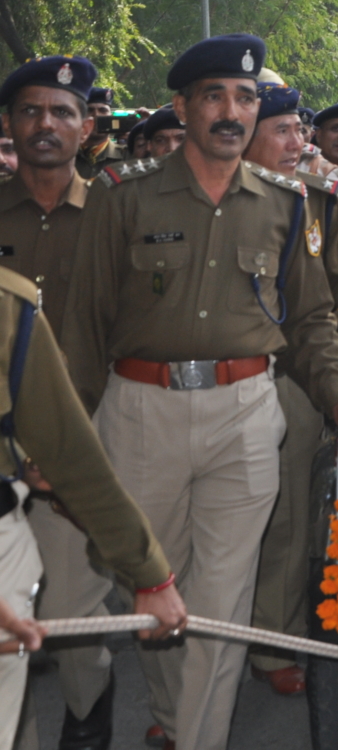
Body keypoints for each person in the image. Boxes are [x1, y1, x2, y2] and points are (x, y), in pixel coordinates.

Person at [60, 34, 338, 750]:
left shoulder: (287, 202)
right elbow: (82, 324)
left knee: (223, 598)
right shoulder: (122, 196)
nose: (232, 112)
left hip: (245, 414)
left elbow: (311, 319)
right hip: (140, 411)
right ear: (184, 106)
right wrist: (69, 439)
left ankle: (197, 738)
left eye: (244, 98)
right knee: (157, 585)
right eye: (214, 97)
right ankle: (176, 719)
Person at [0, 263, 187, 750]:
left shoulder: (7, 307)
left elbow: (69, 454)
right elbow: (72, 456)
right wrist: (151, 574)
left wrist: (147, 570)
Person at [0, 57, 118, 748]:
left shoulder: (120, 212)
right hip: (4, 451)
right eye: (31, 111)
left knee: (74, 613)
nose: (46, 124)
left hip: (88, 438)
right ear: (10, 123)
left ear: (87, 126)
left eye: (62, 112)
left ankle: (89, 717)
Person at [242, 83, 338, 697]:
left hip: (294, 377)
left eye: (301, 129)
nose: (301, 143)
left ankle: (273, 639)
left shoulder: (321, 202)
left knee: (289, 514)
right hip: (215, 374)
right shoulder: (212, 197)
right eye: (284, 130)